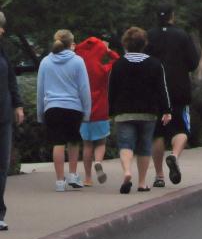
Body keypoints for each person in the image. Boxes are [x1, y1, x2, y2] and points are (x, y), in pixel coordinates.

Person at [109, 27, 171, 194]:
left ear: (125, 44)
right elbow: (161, 89)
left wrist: (110, 111)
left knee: (125, 145)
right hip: (148, 112)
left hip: (124, 112)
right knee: (144, 147)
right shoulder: (155, 64)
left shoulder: (118, 64)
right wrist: (166, 110)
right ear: (144, 44)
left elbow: (112, 89)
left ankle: (127, 171)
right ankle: (142, 182)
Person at [147, 5, 200, 188]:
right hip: (178, 90)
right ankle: (174, 155)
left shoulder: (149, 36)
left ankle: (159, 176)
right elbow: (193, 62)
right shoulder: (182, 35)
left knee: (157, 134)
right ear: (172, 16)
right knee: (181, 130)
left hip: (154, 91)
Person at [36, 30, 92, 192]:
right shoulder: (78, 61)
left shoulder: (46, 62)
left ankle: (60, 181)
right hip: (73, 107)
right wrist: (87, 112)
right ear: (71, 43)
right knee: (74, 140)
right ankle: (73, 174)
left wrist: (40, 113)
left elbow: (40, 89)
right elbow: (84, 89)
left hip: (52, 107)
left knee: (58, 143)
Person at [74, 33, 117, 186]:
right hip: (101, 110)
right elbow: (118, 60)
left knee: (87, 144)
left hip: (84, 110)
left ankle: (87, 178)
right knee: (101, 142)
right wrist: (108, 50)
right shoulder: (103, 69)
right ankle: (98, 162)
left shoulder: (79, 69)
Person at [0, 12, 26, 230]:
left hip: (3, 115)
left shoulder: (2, 51)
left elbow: (11, 79)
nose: (1, 31)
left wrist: (17, 105)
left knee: (2, 164)